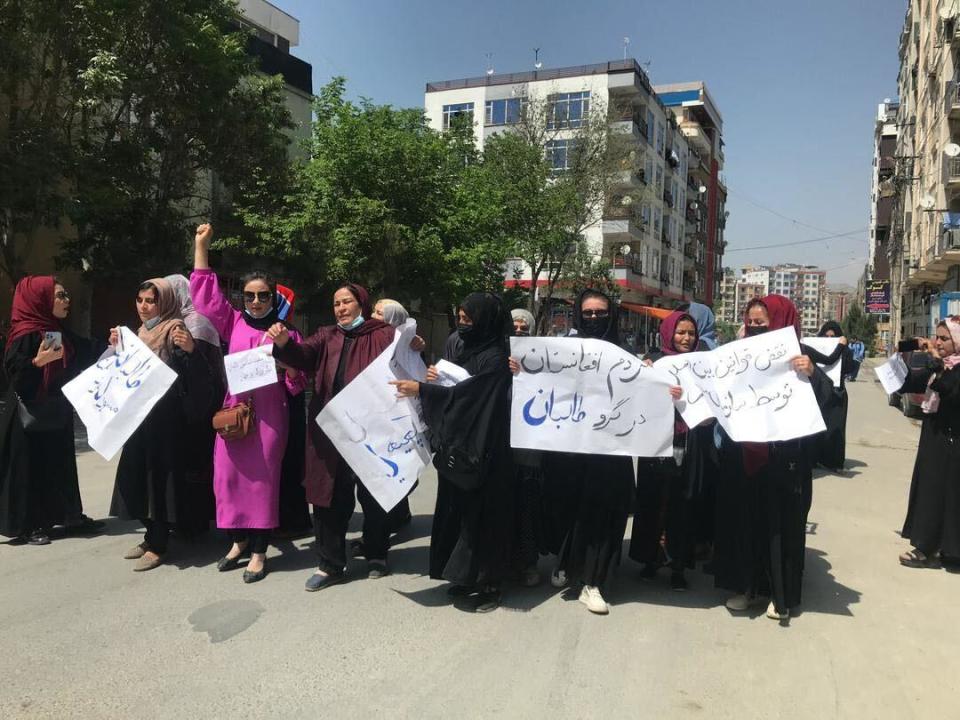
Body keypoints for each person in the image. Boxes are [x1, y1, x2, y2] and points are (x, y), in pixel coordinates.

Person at [190, 224, 308, 583]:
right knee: (226, 479)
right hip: (234, 412)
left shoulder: (287, 332)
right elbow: (205, 299)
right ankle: (237, 541)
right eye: (249, 295)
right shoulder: (234, 322)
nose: (255, 302)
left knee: (262, 483)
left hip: (270, 418)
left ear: (274, 298)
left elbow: (298, 380)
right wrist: (201, 247)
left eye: (263, 296)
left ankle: (259, 551)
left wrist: (284, 360)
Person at [711, 295, 833, 622]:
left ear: (780, 322)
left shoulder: (800, 357)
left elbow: (827, 401)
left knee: (779, 528)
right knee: (744, 523)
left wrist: (812, 375)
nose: (755, 328)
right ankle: (745, 587)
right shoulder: (736, 354)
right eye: (750, 322)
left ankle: (779, 594)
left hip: (784, 462)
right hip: (744, 457)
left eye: (762, 323)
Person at [392, 292, 515, 612]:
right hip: (458, 445)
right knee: (458, 513)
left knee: (485, 518)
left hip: (488, 449)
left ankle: (490, 583)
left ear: (485, 321)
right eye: (460, 319)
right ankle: (463, 576)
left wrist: (423, 389)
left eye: (469, 320)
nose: (463, 325)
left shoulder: (498, 356)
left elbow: (476, 395)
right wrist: (435, 378)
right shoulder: (460, 345)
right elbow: (455, 385)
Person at [269, 283, 397, 590]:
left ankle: (377, 551)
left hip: (371, 429)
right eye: (336, 303)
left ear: (361, 304)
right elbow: (304, 355)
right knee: (327, 495)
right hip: (331, 430)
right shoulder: (326, 335)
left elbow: (404, 360)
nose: (340, 308)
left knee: (374, 493)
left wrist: (414, 344)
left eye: (346, 302)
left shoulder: (383, 334)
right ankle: (329, 564)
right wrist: (286, 343)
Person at [535, 289, 635, 615]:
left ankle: (593, 582)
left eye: (601, 313)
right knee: (573, 509)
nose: (594, 318)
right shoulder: (566, 350)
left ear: (612, 315)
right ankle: (568, 562)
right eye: (588, 313)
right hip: (573, 450)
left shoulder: (626, 354)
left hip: (610, 452)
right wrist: (522, 370)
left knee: (604, 513)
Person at [110, 278, 217, 571]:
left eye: (151, 301)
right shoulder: (140, 332)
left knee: (159, 482)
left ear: (165, 303)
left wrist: (192, 351)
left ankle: (158, 545)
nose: (144, 306)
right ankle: (149, 535)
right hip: (139, 420)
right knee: (136, 478)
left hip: (166, 422)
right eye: (140, 300)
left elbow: (197, 376)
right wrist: (117, 350)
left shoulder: (175, 330)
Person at [1, 276, 104, 545]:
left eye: (66, 294)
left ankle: (69, 516)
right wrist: (36, 363)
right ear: (41, 299)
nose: (66, 300)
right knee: (31, 469)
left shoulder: (54, 329)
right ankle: (31, 524)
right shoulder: (24, 334)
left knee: (59, 465)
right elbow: (14, 376)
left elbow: (84, 350)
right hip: (29, 415)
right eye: (59, 295)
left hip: (55, 410)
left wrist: (113, 344)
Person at [629, 310, 712, 591]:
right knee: (655, 502)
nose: (686, 338)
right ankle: (650, 560)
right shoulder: (655, 363)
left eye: (690, 333)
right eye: (680, 333)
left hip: (690, 445)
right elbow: (638, 399)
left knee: (683, 505)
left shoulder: (704, 363)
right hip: (657, 445)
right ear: (668, 334)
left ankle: (678, 566)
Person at [163, 274, 225, 538]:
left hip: (199, 407)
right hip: (182, 406)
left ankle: (195, 524)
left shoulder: (197, 325)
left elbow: (203, 371)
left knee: (196, 465)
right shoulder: (173, 324)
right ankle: (186, 521)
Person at [897, 318, 960, 569]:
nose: (938, 342)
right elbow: (914, 383)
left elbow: (949, 390)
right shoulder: (942, 365)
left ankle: (937, 549)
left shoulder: (953, 368)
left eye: (945, 339)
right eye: (937, 337)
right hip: (934, 437)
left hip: (952, 440)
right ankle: (927, 545)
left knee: (946, 495)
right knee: (930, 491)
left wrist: (936, 363)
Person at [510, 307, 544, 586]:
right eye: (514, 326)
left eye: (524, 327)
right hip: (498, 450)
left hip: (529, 455)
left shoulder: (542, 360)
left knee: (528, 510)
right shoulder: (494, 356)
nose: (519, 331)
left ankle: (528, 563)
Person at [811, 321, 856, 472]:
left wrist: (844, 350)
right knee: (817, 427)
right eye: (826, 335)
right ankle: (816, 458)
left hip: (837, 392)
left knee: (836, 428)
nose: (829, 338)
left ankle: (834, 461)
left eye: (833, 336)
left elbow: (850, 368)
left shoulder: (845, 350)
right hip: (819, 392)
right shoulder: (815, 348)